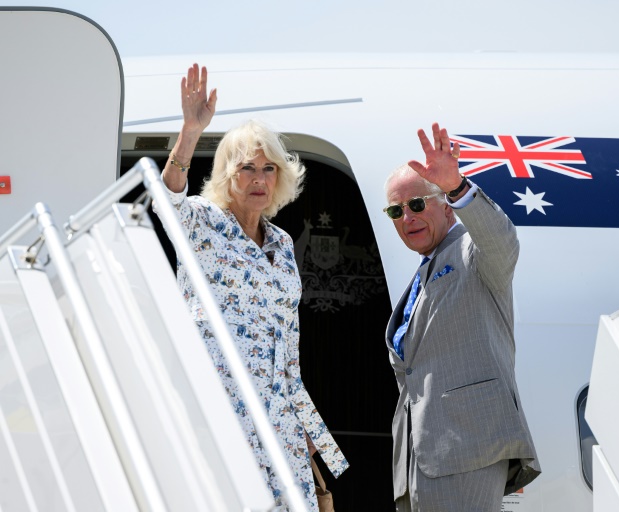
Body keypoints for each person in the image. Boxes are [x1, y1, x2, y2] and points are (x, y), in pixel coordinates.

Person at [158, 63, 348, 511]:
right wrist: (190, 132)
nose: (259, 179)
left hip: (278, 416)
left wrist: (305, 425)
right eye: (247, 168)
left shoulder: (282, 243)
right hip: (218, 409)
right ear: (228, 174)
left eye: (268, 169)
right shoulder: (204, 222)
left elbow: (288, 344)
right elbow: (166, 199)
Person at [383, 123, 541, 511]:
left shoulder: (470, 252)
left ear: (444, 205)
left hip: (466, 450)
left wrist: (458, 187)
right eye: (395, 210)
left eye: (417, 204)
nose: (407, 218)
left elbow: (501, 241)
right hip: (420, 462)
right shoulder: (424, 269)